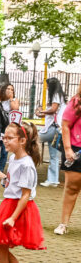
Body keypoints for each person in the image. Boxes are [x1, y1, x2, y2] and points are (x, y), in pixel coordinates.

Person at [0, 122, 45, 259]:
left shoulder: (26, 165)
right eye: (4, 137)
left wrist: (13, 218)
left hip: (18, 208)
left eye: (10, 138)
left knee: (0, 245)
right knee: (0, 245)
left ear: (22, 141)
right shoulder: (13, 158)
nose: (5, 141)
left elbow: (26, 195)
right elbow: (9, 181)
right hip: (9, 204)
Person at [56, 80, 81, 235]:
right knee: (72, 188)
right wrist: (68, 149)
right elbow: (65, 125)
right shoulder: (76, 102)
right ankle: (63, 223)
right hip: (77, 149)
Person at [37, 77, 66, 187]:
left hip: (52, 128)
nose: (47, 87)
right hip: (56, 128)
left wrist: (41, 112)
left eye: (48, 85)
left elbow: (53, 110)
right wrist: (43, 113)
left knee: (31, 139)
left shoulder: (56, 95)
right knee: (53, 155)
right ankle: (53, 180)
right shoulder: (60, 95)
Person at [0, 83, 20, 173]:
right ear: (4, 90)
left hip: (8, 128)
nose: (10, 91)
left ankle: (0, 170)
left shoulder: (14, 100)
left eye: (12, 89)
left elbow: (15, 109)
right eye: (8, 89)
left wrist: (11, 99)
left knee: (5, 152)